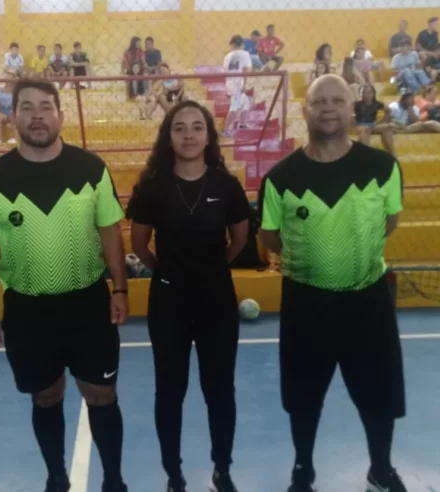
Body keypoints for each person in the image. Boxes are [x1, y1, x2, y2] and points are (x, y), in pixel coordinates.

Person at [0, 79, 129, 492]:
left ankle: (114, 479)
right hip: (27, 309)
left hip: (88, 304)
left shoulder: (90, 169)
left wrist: (120, 288)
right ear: (13, 116)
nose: (37, 115)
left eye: (45, 106)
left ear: (60, 114)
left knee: (101, 393)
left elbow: (110, 230)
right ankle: (56, 476)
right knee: (45, 396)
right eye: (27, 107)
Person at [258, 74, 408, 492]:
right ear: (304, 110)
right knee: (303, 395)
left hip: (369, 301)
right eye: (318, 101)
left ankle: (381, 468)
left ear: (352, 108)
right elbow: (269, 238)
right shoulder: (280, 178)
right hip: (306, 304)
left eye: (336, 101)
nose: (327, 108)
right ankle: (303, 470)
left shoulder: (383, 168)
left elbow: (389, 222)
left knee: (379, 391)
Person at [126, 100, 249, 492]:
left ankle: (222, 471)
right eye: (180, 127)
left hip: (217, 301)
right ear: (168, 136)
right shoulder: (151, 187)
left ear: (209, 135)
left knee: (220, 390)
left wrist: (212, 268)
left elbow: (240, 238)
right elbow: (141, 245)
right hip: (169, 303)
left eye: (198, 127)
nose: (190, 134)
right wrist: (169, 272)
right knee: (170, 390)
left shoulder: (225, 185)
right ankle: (174, 475)